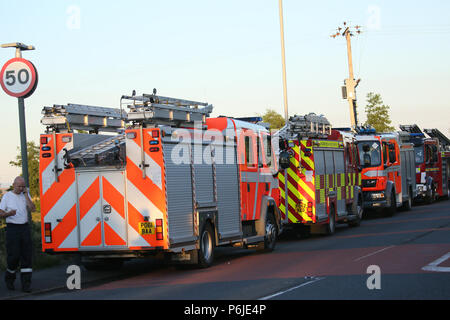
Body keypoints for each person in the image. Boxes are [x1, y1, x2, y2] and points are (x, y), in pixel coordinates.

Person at [0, 177, 35, 292]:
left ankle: (26, 284)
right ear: (13, 185)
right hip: (12, 229)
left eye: (23, 186)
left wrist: (26, 195)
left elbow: (32, 209)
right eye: (19, 186)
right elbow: (1, 212)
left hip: (24, 228)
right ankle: (9, 279)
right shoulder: (7, 196)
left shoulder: (25, 195)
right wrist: (8, 213)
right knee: (14, 256)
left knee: (26, 256)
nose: (21, 188)